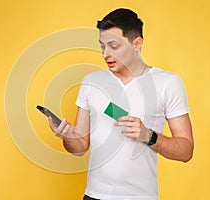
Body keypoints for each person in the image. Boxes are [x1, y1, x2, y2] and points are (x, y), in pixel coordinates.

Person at [48, 8, 194, 200]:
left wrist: (149, 136)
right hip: (94, 195)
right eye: (102, 46)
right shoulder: (91, 82)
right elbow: (80, 146)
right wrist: (67, 137)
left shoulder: (167, 83)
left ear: (137, 43)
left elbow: (186, 151)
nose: (105, 54)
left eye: (113, 46)